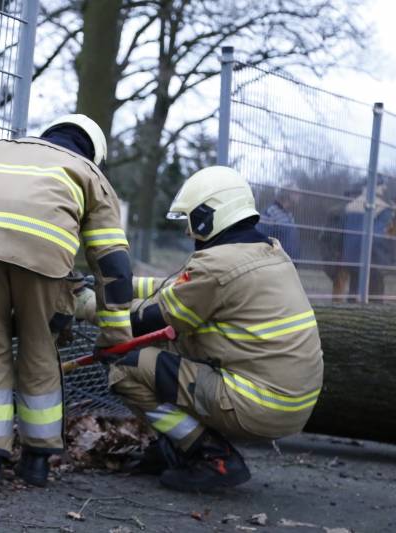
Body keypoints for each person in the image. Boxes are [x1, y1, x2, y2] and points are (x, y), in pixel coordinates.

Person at [76, 166, 323, 491]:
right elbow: (171, 287)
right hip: (288, 399)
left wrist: (84, 304)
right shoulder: (266, 252)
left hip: (258, 403)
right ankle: (176, 447)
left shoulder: (217, 266)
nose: (188, 233)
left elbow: (144, 320)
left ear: (211, 216)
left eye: (191, 221)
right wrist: (114, 284)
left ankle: (210, 455)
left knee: (127, 367)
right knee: (166, 350)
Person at [0, 114, 133, 486]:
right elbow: (113, 264)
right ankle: (37, 462)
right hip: (46, 262)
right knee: (39, 349)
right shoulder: (91, 174)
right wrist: (115, 332)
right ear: (93, 151)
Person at [257, 187, 300, 259]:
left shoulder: (289, 214)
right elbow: (260, 237)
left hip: (289, 263)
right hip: (277, 262)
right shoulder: (270, 211)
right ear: (286, 194)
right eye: (295, 193)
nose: (299, 195)